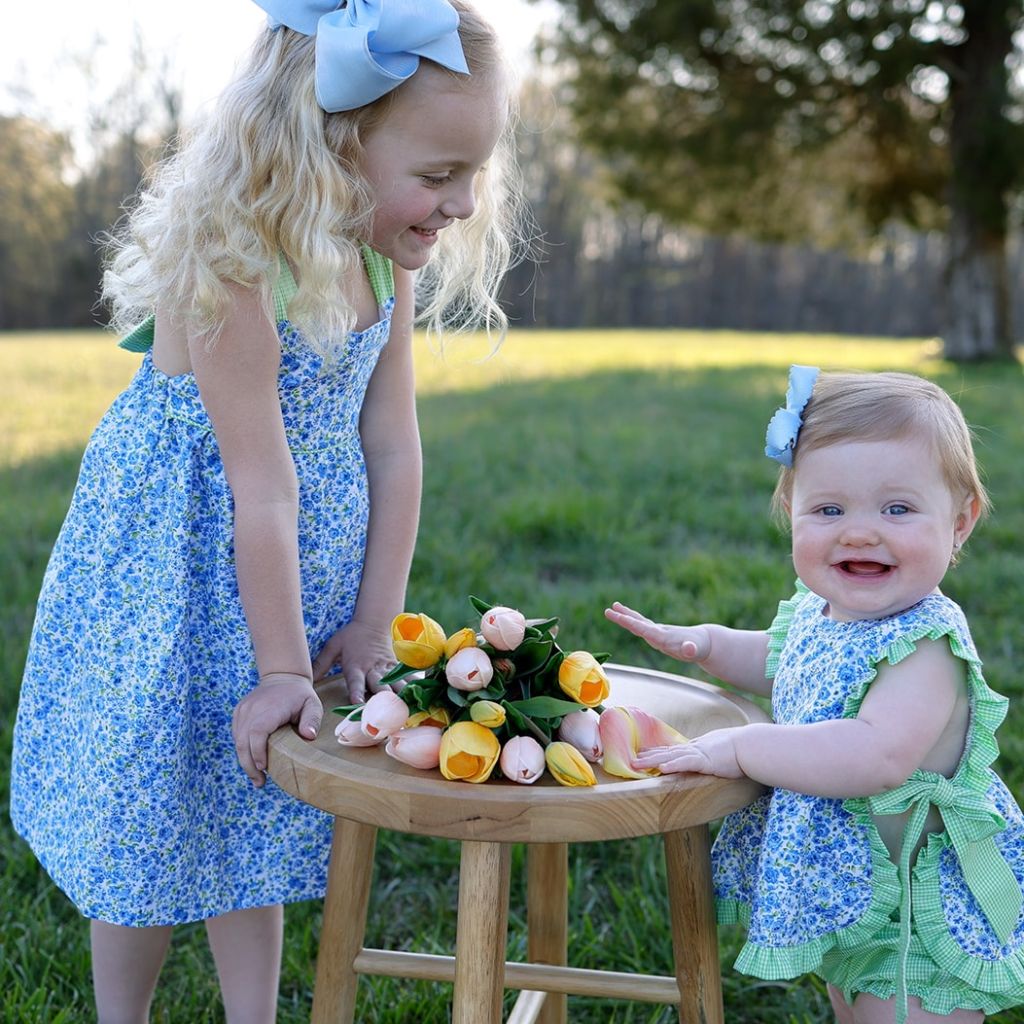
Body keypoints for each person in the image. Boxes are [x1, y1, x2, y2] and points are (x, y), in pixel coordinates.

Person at [10, 1, 523, 1020]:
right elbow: (261, 482)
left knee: (260, 786)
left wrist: (374, 617)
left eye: (477, 169)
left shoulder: (385, 262)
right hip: (181, 561)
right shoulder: (234, 258)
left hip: (292, 562)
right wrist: (283, 664)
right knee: (156, 794)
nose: (464, 201)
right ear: (335, 141)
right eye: (437, 174)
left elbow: (393, 442)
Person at [606, 367, 1024, 1024]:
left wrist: (745, 747)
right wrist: (708, 644)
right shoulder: (820, 612)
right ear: (790, 512)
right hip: (851, 884)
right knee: (853, 1008)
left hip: (916, 907)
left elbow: (874, 754)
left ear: (960, 522)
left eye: (897, 508)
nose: (859, 532)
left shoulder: (926, 648)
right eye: (829, 510)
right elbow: (788, 666)